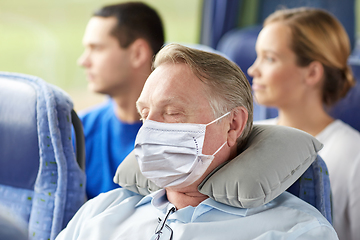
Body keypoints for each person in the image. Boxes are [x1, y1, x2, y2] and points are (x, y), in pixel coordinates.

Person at [56, 43, 337, 239]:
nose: (150, 129)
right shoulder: (100, 212)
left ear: (233, 124)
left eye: (172, 112)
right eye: (145, 115)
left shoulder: (296, 232)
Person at [247, 7, 360, 240]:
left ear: (312, 73)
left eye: (269, 58)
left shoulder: (353, 154)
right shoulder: (249, 138)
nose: (253, 69)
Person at [77, 2, 164, 199]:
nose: (83, 61)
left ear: (138, 53)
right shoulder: (80, 131)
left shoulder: (178, 141)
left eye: (96, 48)